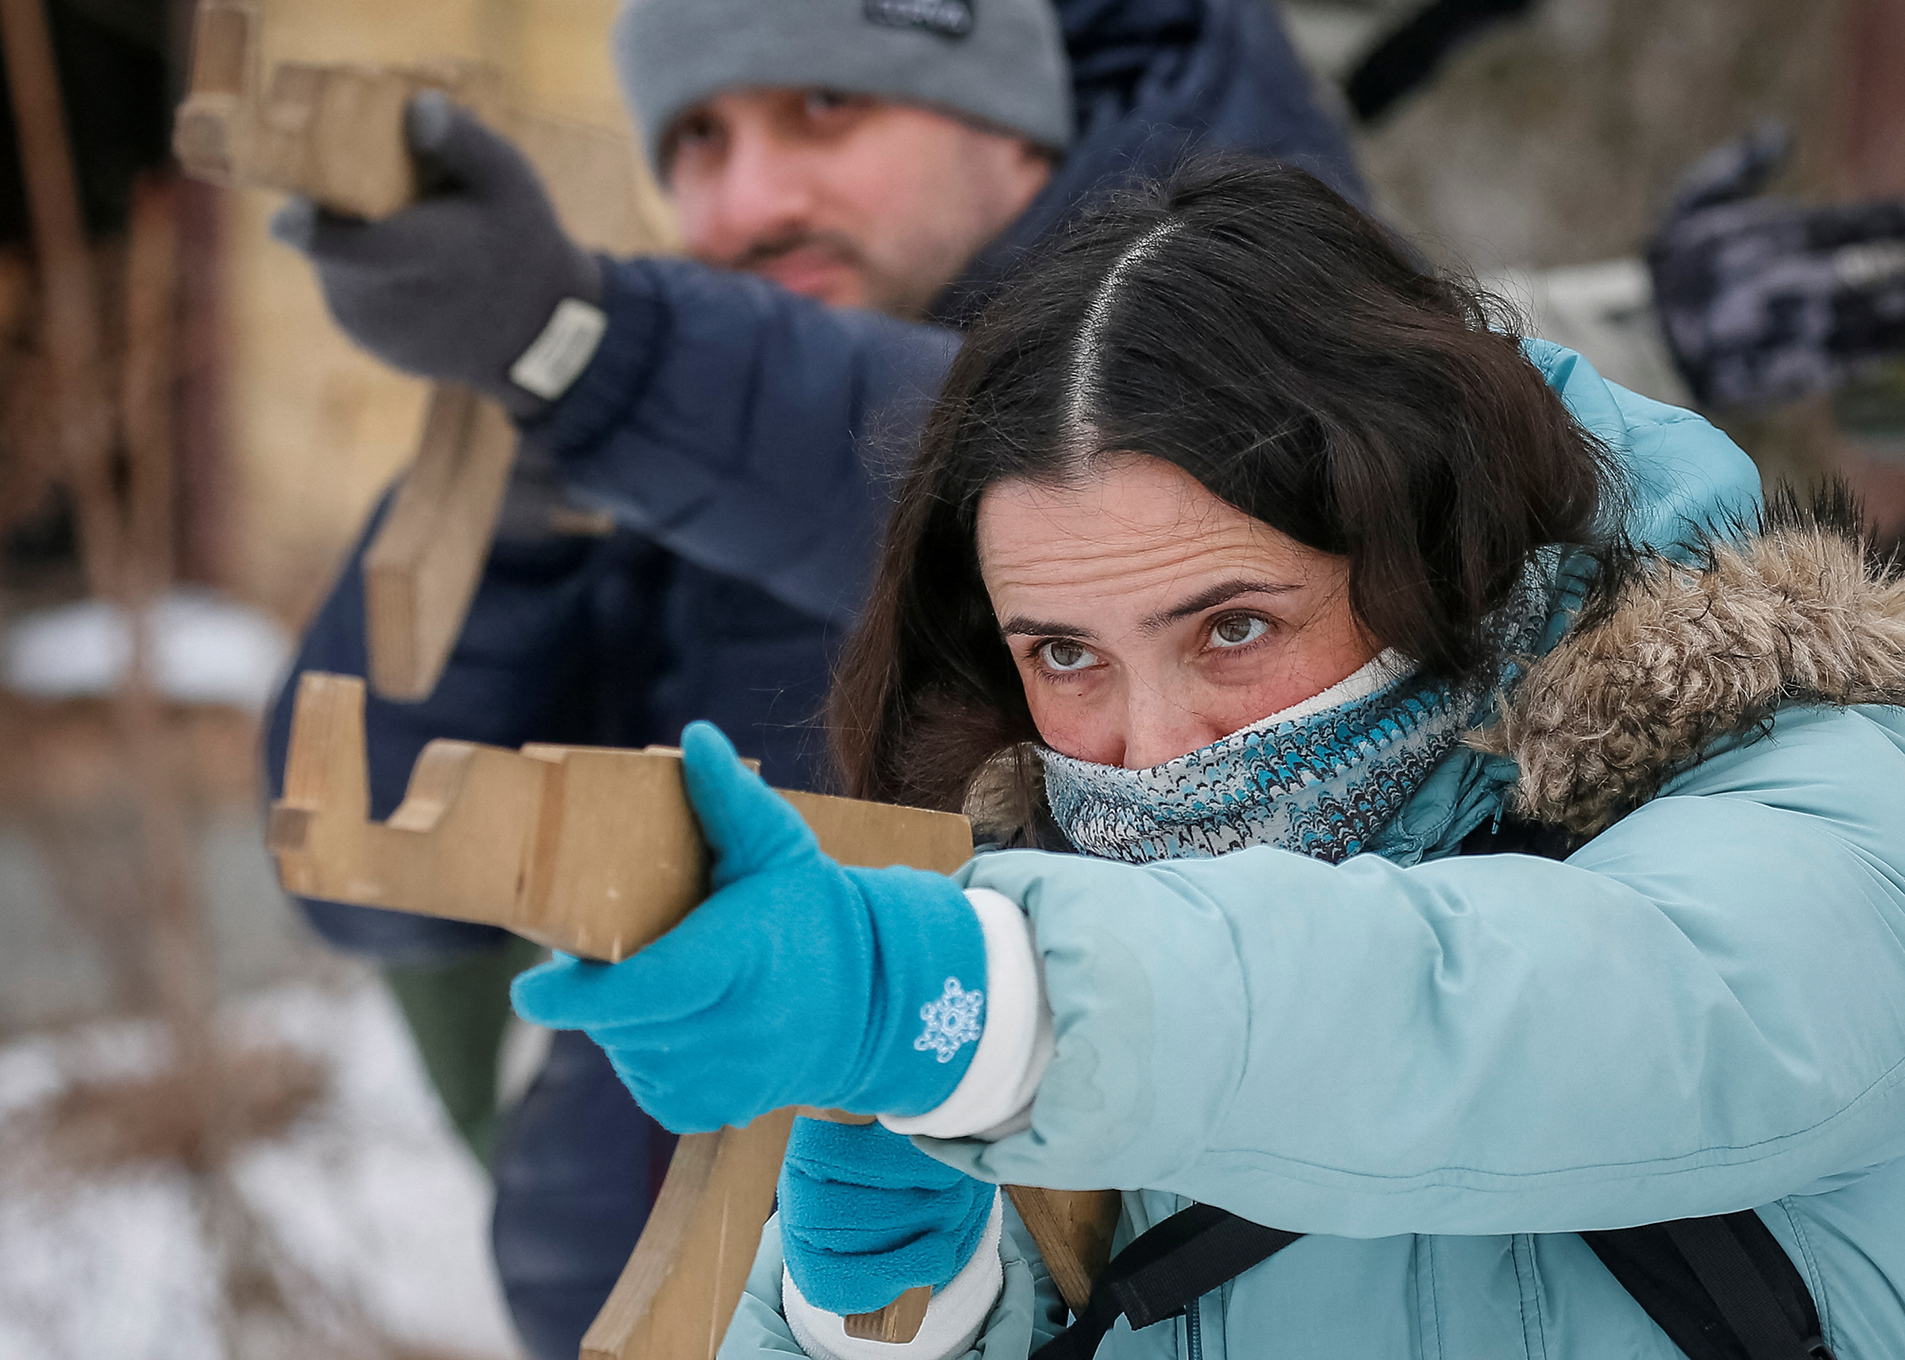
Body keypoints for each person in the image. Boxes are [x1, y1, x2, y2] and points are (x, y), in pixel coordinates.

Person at [514, 160, 1905, 1360]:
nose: (1154, 752)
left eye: (1232, 627)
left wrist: (987, 1002)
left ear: (1440, 554)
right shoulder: (1037, 911)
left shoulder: (1814, 804)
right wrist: (897, 1318)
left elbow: (1512, 1012)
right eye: (1065, 655)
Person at [261, 2, 1361, 1354]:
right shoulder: (684, 416)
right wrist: (524, 509)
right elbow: (367, 864)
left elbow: (1021, 472)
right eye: (699, 140)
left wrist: (601, 356)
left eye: (824, 110)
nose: (748, 203)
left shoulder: (1281, 322)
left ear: (1013, 120)